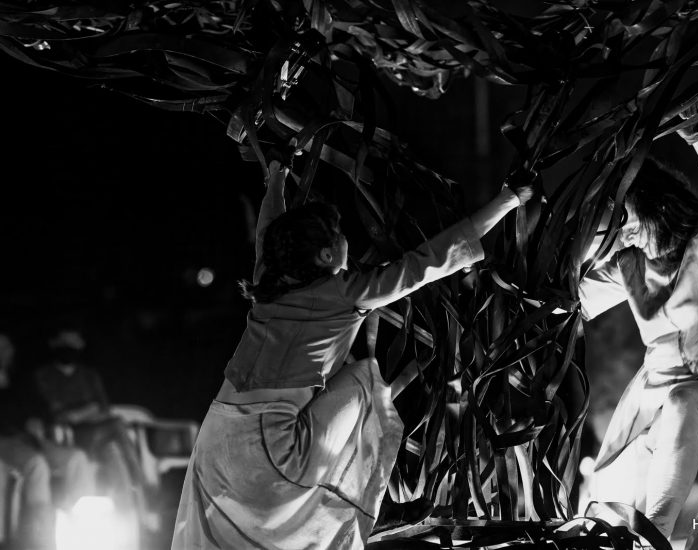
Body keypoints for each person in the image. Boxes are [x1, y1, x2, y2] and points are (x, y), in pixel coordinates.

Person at [171, 159, 532, 549]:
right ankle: (373, 500)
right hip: (272, 449)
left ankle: (371, 499)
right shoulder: (345, 293)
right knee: (365, 380)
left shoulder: (268, 282)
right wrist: (509, 200)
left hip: (215, 444)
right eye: (340, 236)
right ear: (327, 256)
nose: (347, 241)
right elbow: (429, 261)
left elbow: (267, 231)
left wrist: (275, 179)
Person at [579, 120, 698, 549]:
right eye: (617, 225)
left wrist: (696, 136)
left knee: (684, 401)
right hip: (653, 410)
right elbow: (567, 300)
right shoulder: (629, 264)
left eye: (628, 219)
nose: (625, 233)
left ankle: (656, 535)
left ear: (654, 204)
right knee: (607, 513)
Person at [0, 332, 96, 549]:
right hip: (5, 439)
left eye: (8, 348)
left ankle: (83, 529)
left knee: (77, 459)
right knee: (37, 465)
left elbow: (40, 405)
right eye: (2, 348)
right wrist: (21, 422)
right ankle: (41, 534)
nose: (7, 352)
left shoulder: (20, 378)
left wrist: (39, 419)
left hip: (32, 437)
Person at [33, 329, 146, 513]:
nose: (70, 348)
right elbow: (57, 412)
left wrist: (83, 412)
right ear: (55, 345)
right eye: (65, 343)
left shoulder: (89, 375)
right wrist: (86, 410)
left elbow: (103, 407)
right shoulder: (45, 376)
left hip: (97, 433)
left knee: (114, 454)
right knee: (117, 425)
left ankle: (127, 511)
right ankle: (142, 482)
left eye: (74, 343)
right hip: (68, 436)